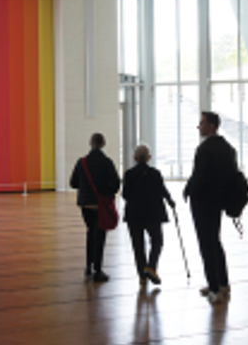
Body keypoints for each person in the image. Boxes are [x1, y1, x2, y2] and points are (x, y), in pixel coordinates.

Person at [183, 112, 238, 305]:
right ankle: (223, 282)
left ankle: (215, 288)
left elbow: (199, 177)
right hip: (219, 202)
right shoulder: (228, 148)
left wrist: (189, 191)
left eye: (202, 123)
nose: (199, 127)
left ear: (212, 126)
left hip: (203, 202)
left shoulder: (205, 149)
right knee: (215, 241)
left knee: (206, 244)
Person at [70, 133, 121, 283]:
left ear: (90, 143)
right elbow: (116, 184)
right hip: (100, 205)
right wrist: (106, 191)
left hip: (85, 204)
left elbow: (73, 183)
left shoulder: (82, 162)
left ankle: (88, 266)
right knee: (100, 236)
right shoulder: (107, 162)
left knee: (90, 232)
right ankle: (98, 270)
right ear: (103, 144)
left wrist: (85, 186)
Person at [122, 144, 173, 287]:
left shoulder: (129, 174)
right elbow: (163, 191)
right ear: (149, 158)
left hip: (134, 215)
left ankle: (142, 276)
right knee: (157, 241)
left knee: (138, 246)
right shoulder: (155, 173)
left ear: (135, 158)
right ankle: (151, 267)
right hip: (153, 214)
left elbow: (125, 195)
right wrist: (170, 202)